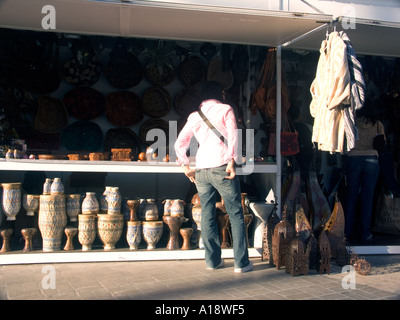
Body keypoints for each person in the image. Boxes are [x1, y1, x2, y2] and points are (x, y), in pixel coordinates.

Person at [174, 81, 252, 273]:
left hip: (201, 169)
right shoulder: (225, 109)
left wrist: (185, 166)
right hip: (222, 167)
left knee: (207, 214)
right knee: (235, 214)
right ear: (221, 93)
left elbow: (179, 143)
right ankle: (240, 264)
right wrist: (232, 161)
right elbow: (233, 136)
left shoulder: (194, 116)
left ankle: (212, 261)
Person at [344, 106, 384, 244]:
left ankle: (347, 232)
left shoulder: (353, 121)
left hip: (354, 158)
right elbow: (382, 142)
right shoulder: (377, 124)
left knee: (351, 196)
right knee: (368, 198)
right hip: (372, 159)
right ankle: (365, 233)